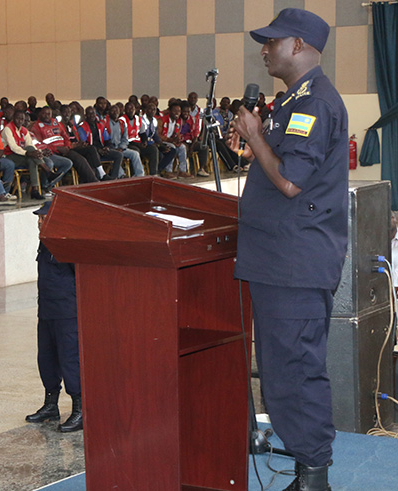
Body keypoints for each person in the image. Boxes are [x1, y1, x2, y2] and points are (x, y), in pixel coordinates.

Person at [227, 9, 347, 491]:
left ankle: (314, 476)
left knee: (294, 375)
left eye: (272, 41)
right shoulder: (293, 102)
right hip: (279, 262)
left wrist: (257, 136)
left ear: (299, 45)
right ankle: (307, 472)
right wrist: (253, 143)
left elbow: (292, 182)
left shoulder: (313, 104)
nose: (264, 49)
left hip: (293, 266)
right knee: (283, 375)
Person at [25, 201, 82, 433]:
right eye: (38, 218)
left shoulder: (67, 245)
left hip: (67, 313)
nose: (39, 221)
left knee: (70, 361)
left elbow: (79, 278)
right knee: (46, 359)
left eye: (43, 217)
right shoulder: (44, 243)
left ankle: (80, 409)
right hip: (46, 310)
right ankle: (51, 405)